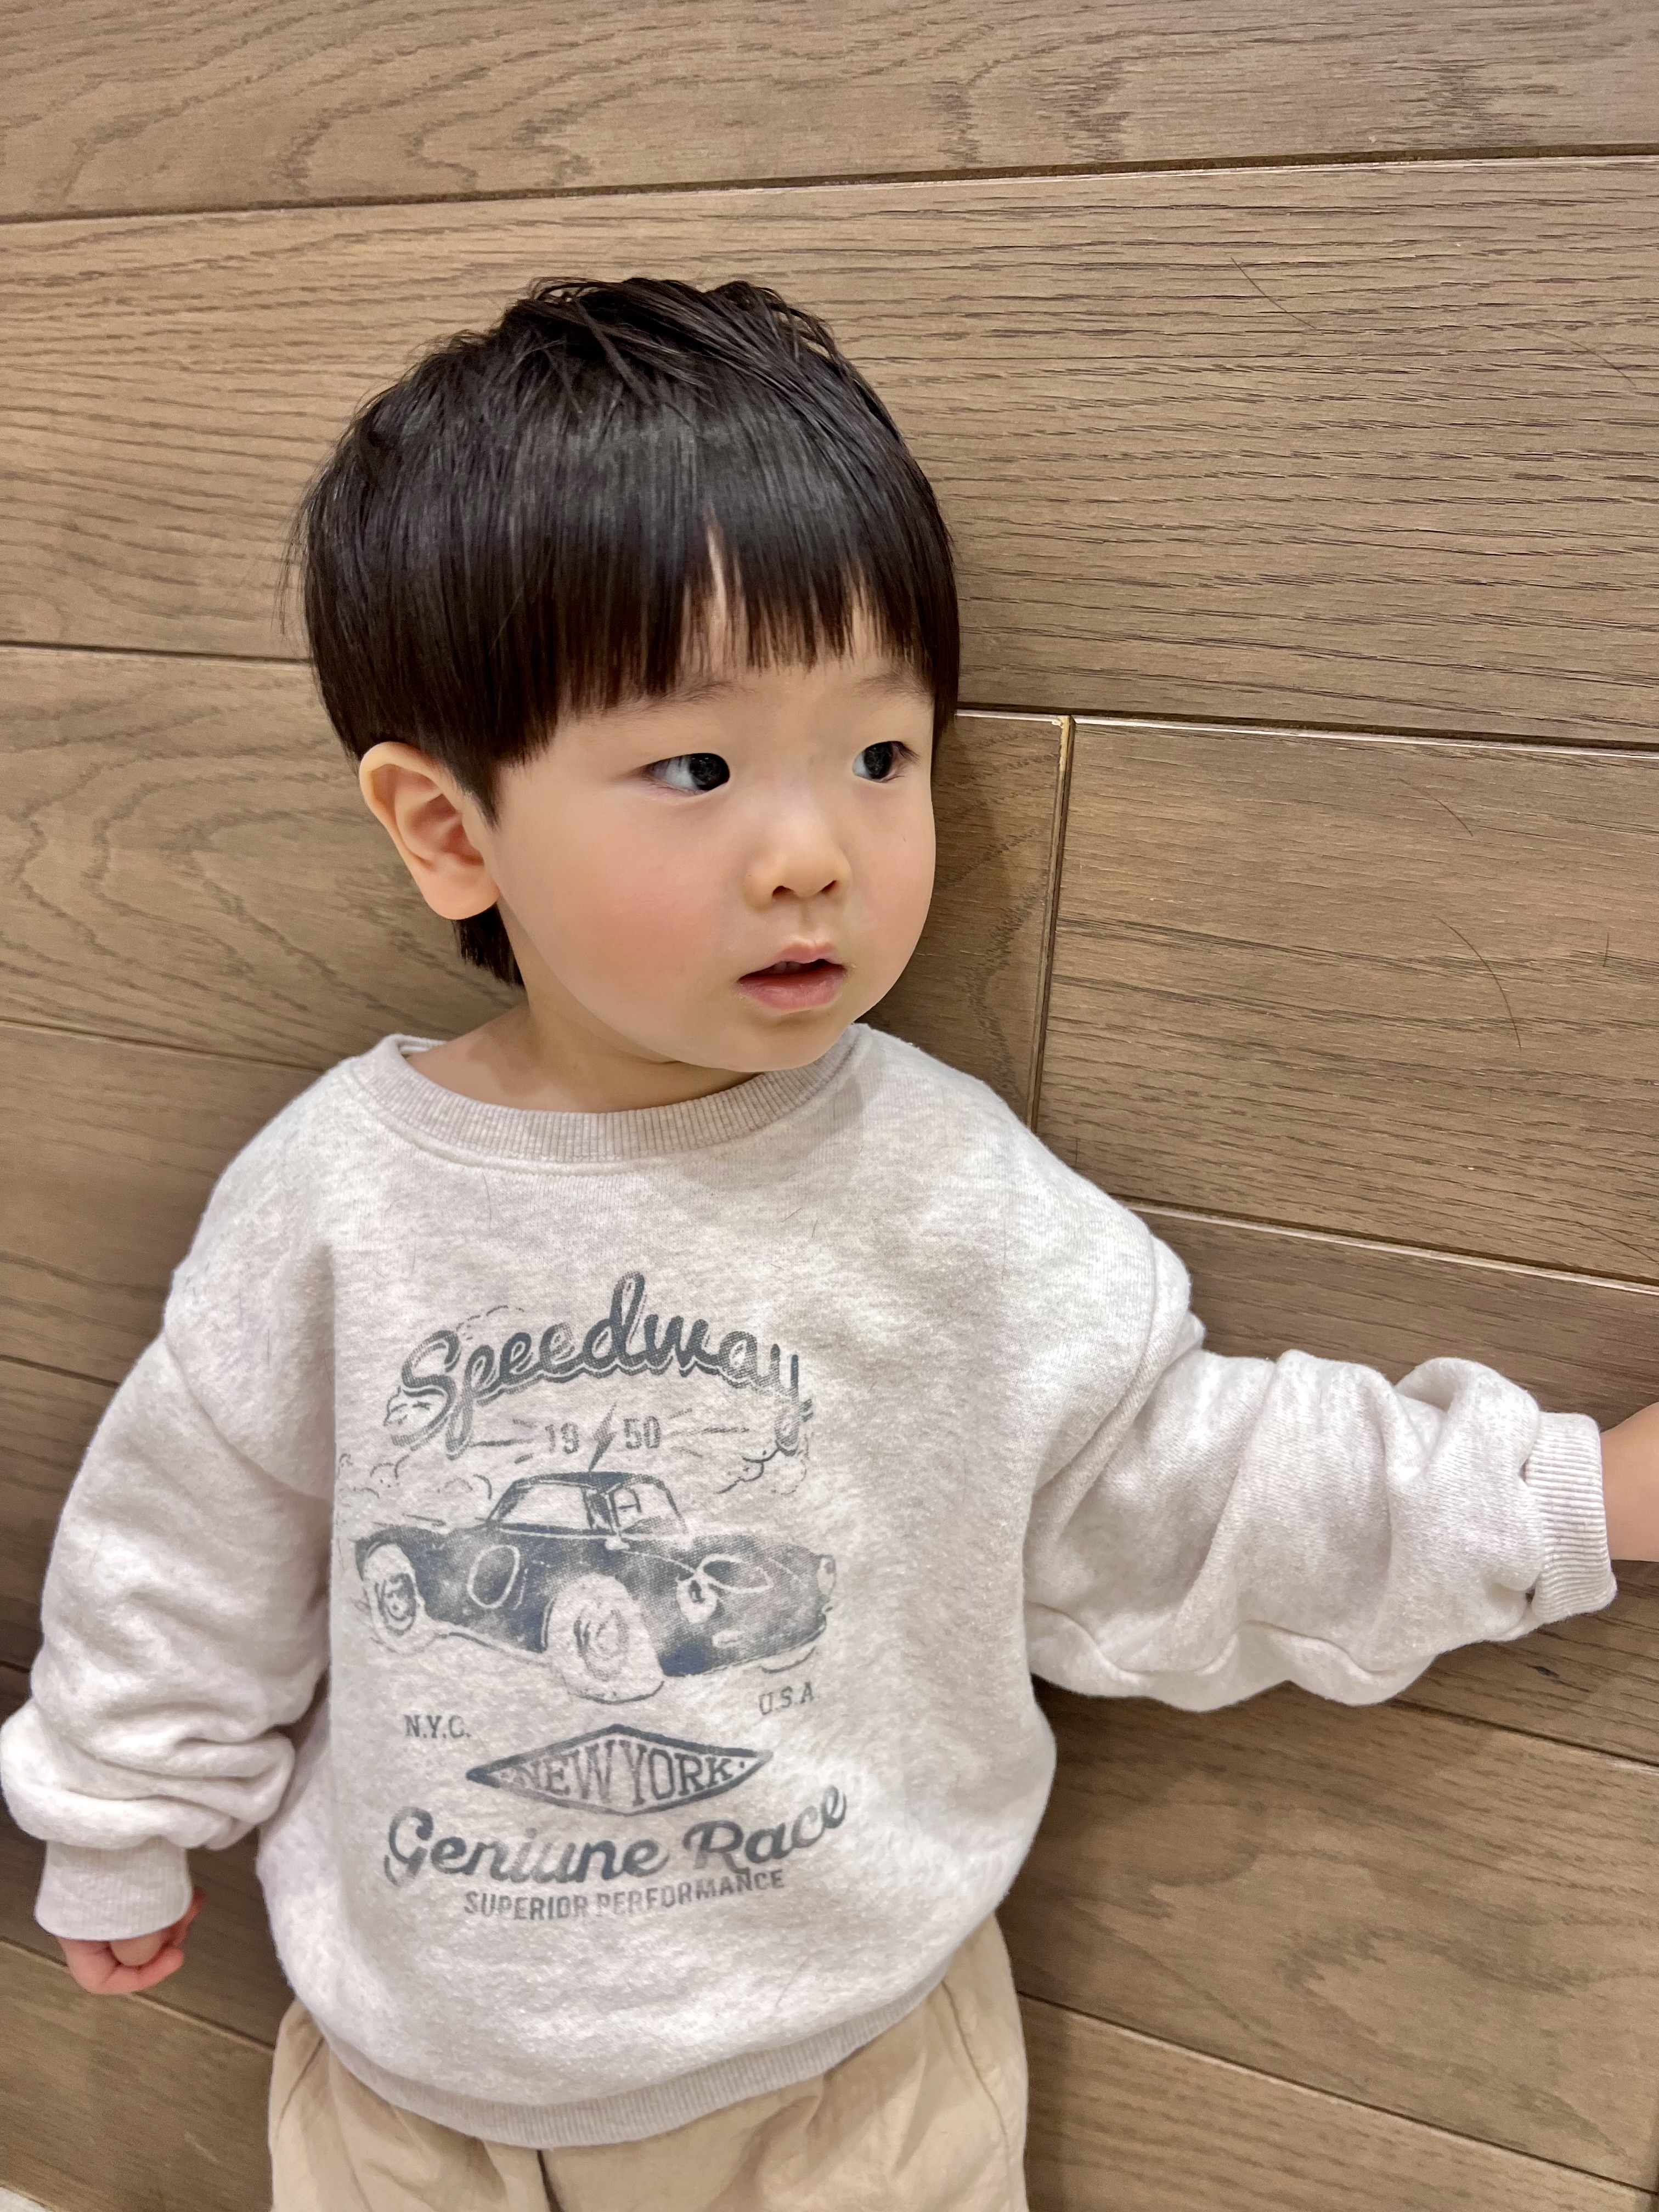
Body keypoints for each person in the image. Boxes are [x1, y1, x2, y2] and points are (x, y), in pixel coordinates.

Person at [3, 276, 1656, 2212]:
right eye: (698, 770)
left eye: (881, 757)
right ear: (449, 831)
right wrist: (114, 1813)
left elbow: (1185, 1482)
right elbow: (183, 1544)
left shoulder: (943, 1190)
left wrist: (1575, 1496)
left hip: (851, 2090)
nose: (815, 854)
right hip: (409, 2096)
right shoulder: (332, 1198)